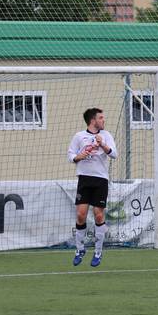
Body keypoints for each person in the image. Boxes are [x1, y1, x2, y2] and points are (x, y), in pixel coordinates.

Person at [67, 108, 117, 267]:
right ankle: (80, 249)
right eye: (101, 118)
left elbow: (114, 154)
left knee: (98, 216)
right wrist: (77, 157)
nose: (103, 120)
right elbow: (70, 154)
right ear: (92, 120)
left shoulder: (106, 135)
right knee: (81, 216)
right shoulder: (79, 136)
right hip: (84, 179)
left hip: (100, 179)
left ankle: (98, 252)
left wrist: (102, 144)